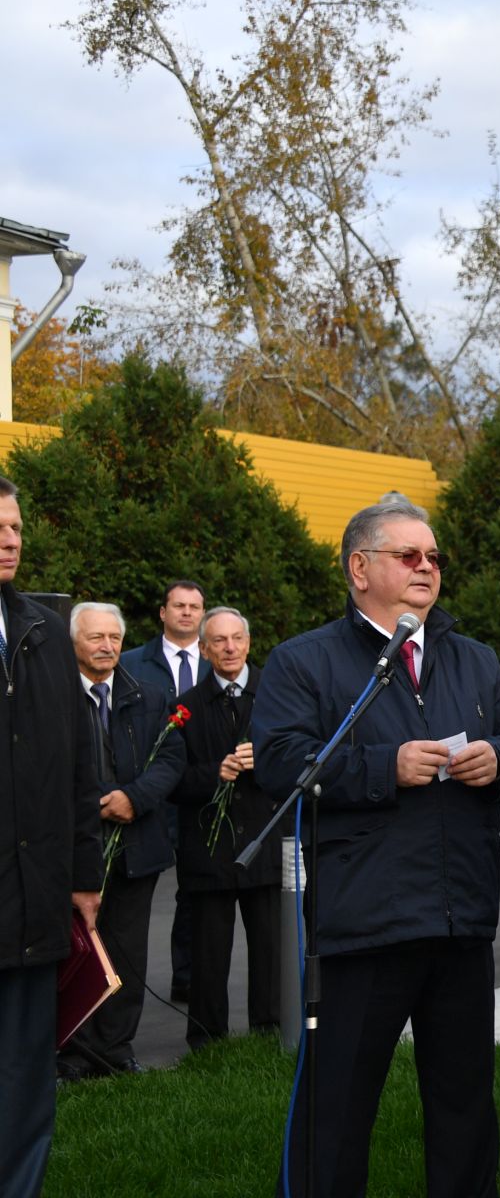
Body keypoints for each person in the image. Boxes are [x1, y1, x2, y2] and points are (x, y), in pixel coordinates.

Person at [253, 501, 500, 1197]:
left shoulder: (472, 657)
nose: (426, 568)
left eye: (434, 557)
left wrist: (497, 759)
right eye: (408, 556)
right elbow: (279, 762)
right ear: (359, 569)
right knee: (339, 1108)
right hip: (364, 923)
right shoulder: (304, 660)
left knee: (465, 1105)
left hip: (460, 916)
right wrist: (384, 766)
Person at [0, 476, 102, 1197]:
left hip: (34, 905)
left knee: (25, 1080)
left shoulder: (42, 632)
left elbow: (79, 767)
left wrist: (84, 874)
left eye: (15, 526)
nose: (9, 539)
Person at [60, 602, 185, 1079]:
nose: (107, 646)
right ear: (74, 642)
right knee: (79, 955)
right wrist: (91, 803)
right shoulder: (54, 697)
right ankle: (72, 1053)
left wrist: (135, 798)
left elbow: (171, 757)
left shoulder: (149, 696)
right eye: (96, 637)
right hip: (78, 847)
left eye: (114, 637)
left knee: (127, 954)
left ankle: (115, 1051)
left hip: (137, 846)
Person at [169, 606, 280, 1048]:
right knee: (208, 954)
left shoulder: (275, 697)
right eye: (218, 641)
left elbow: (303, 762)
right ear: (203, 648)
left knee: (270, 951)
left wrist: (265, 762)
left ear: (249, 644)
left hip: (264, 843)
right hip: (207, 852)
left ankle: (269, 1034)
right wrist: (217, 772)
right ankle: (206, 1041)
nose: (230, 648)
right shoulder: (185, 707)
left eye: (237, 639)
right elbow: (172, 779)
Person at [126, 579, 205, 1004]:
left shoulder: (215, 662)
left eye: (195, 606)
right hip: (150, 793)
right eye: (179, 605)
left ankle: (187, 977)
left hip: (199, 795)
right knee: (135, 895)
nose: (187, 613)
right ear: (162, 612)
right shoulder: (132, 663)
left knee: (192, 891)